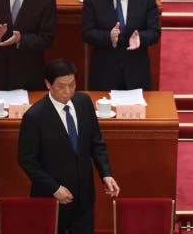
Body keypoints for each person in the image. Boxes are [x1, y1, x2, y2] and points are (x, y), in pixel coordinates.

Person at [18, 58, 120, 234]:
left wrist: (106, 173)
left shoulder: (84, 102)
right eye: (61, 86)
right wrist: (55, 188)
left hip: (84, 197)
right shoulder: (34, 117)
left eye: (72, 84)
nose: (68, 91)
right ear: (48, 84)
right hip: (52, 197)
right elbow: (27, 160)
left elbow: (96, 143)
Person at [81, 0, 160, 91]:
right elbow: (86, 32)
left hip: (136, 71)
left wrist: (140, 38)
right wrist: (108, 36)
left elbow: (154, 32)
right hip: (104, 71)